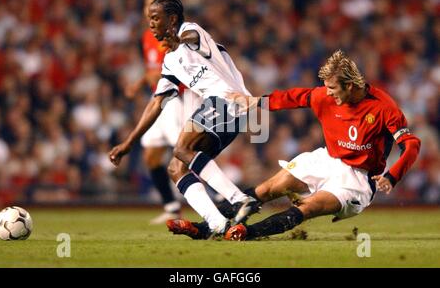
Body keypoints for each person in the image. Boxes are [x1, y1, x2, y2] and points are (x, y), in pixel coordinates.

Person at [170, 50, 421, 241]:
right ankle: (206, 227)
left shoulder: (383, 107)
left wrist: (392, 175)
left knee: (308, 207)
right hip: (328, 159)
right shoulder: (325, 95)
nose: (328, 93)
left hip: (358, 179)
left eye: (333, 88)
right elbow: (294, 97)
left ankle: (245, 233)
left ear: (351, 86)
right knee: (268, 188)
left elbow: (411, 145)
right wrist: (257, 101)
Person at [108, 0, 260, 237]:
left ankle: (239, 199)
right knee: (176, 167)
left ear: (172, 19)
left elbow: (191, 37)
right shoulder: (169, 63)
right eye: (149, 19)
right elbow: (156, 104)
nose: (151, 24)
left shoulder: (191, 31)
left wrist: (178, 38)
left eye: (156, 18)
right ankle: (218, 224)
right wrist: (128, 143)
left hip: (229, 101)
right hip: (230, 113)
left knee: (181, 147)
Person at [124, 0, 188, 224]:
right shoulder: (146, 36)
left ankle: (224, 197)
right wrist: (140, 83)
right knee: (151, 155)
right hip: (158, 101)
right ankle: (172, 207)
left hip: (174, 100)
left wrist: (141, 81)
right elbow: (153, 71)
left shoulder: (171, 35)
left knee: (184, 151)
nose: (148, 8)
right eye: (145, 3)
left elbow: (168, 70)